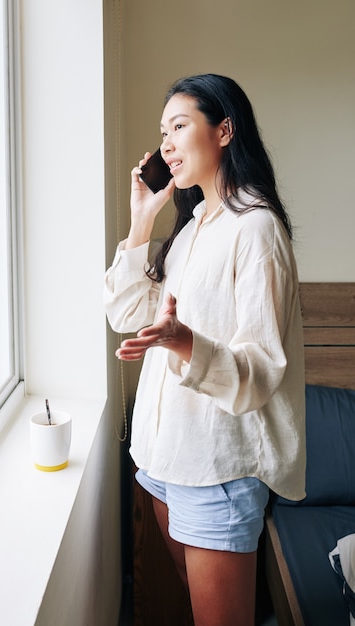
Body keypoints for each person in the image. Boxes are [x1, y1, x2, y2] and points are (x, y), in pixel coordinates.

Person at [104, 74, 306, 626]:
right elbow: (125, 314)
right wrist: (142, 219)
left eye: (179, 126)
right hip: (162, 460)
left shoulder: (256, 229)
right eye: (161, 132)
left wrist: (183, 341)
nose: (165, 144)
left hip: (216, 468)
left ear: (224, 130)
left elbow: (262, 370)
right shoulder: (193, 229)